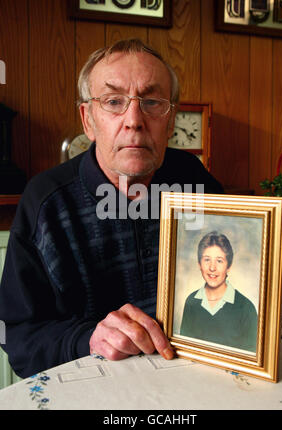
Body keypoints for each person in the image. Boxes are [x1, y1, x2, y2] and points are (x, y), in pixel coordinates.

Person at [0, 39, 223, 378]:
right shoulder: (46, 201)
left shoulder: (195, 180)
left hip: (191, 378)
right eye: (114, 101)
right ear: (88, 119)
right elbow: (17, 336)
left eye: (151, 102)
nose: (134, 120)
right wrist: (88, 338)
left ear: (172, 120)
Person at [180, 231, 257, 352]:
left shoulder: (246, 308)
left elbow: (252, 355)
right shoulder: (191, 302)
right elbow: (185, 349)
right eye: (207, 260)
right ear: (199, 264)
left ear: (229, 266)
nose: (212, 267)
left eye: (219, 261)